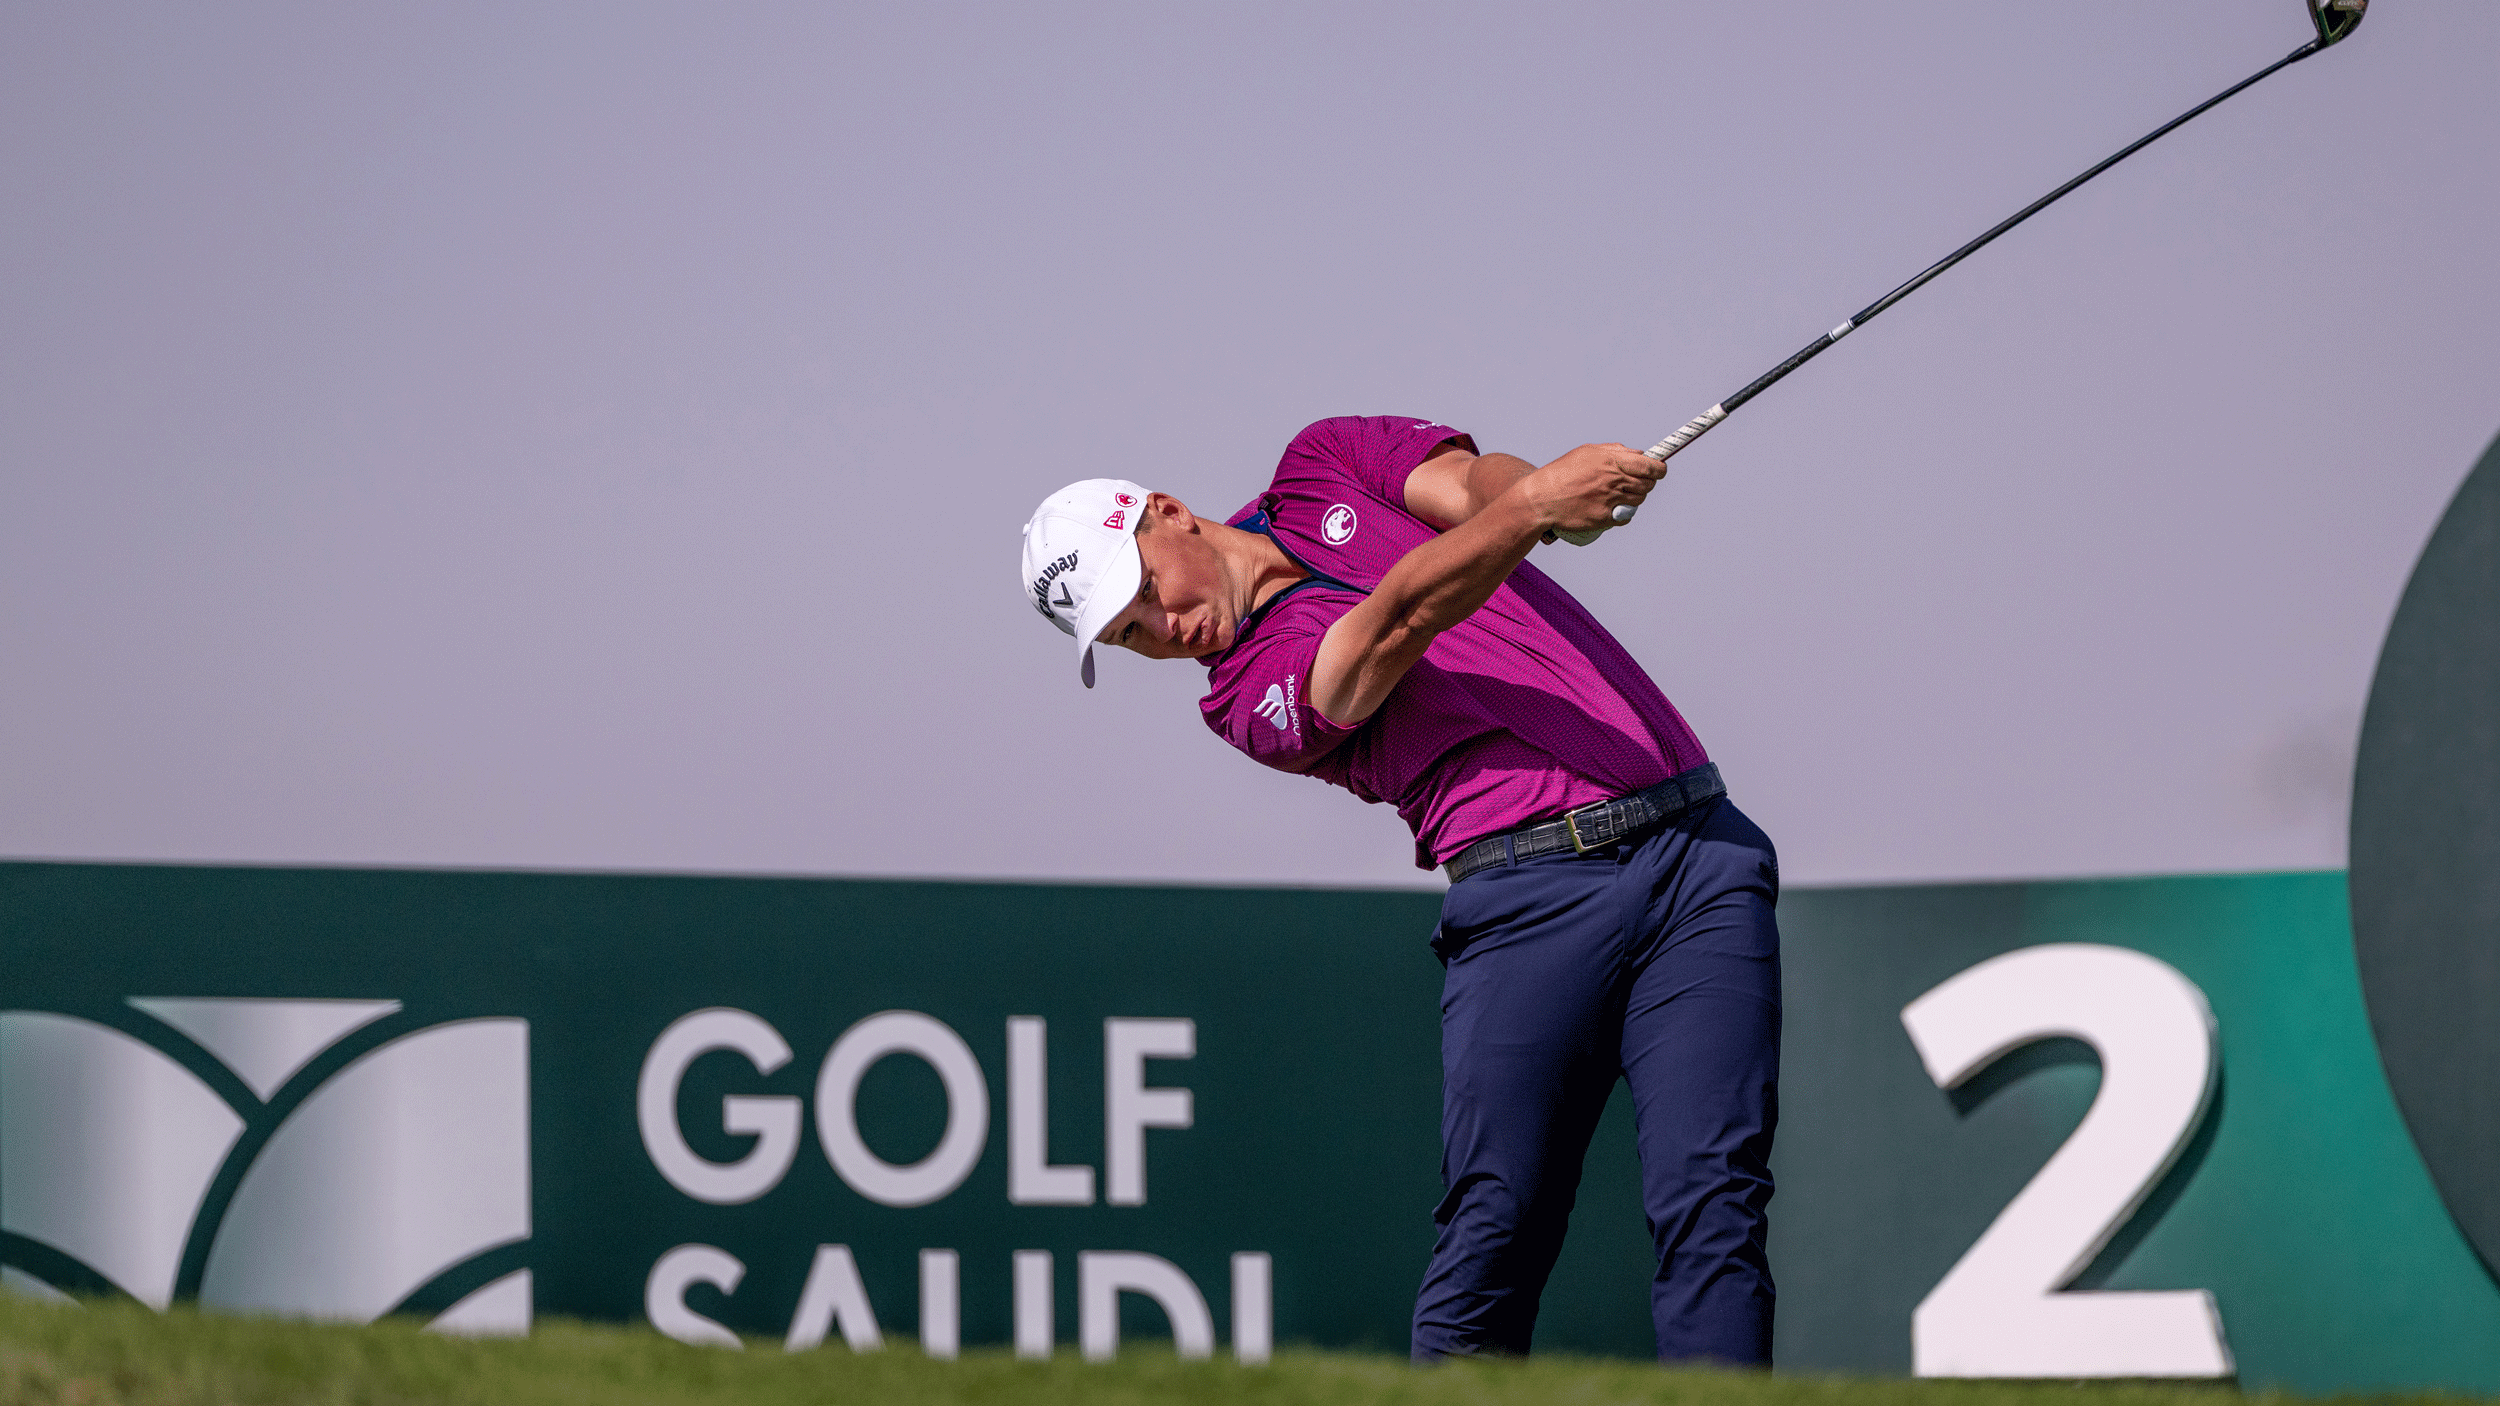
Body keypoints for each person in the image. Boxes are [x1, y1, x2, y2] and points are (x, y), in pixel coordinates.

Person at [1016, 416, 1780, 1365]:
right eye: (1132, 636)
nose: (1165, 630)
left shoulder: (1323, 462)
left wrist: (1542, 496)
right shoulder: (1244, 699)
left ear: (1168, 513)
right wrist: (1535, 508)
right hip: (1528, 905)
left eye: (1144, 594)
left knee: (1715, 1198)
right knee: (1500, 1219)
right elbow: (1398, 620)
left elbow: (1470, 486)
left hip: (1698, 856)